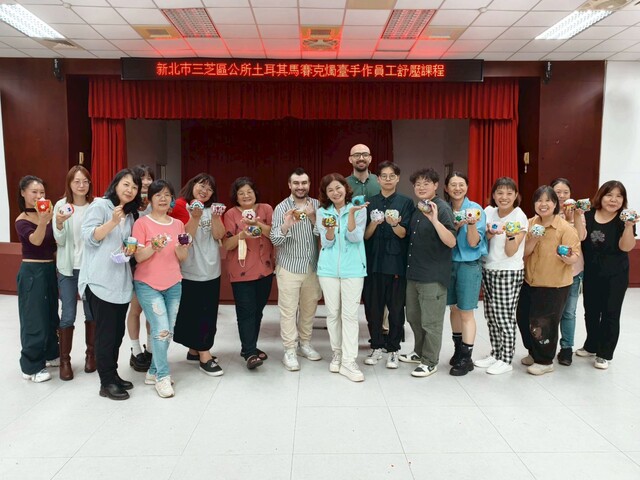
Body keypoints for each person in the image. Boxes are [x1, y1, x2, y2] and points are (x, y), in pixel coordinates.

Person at [79, 169, 142, 400]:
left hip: (120, 282)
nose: (130, 190)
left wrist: (129, 249)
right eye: (126, 184)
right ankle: (105, 383)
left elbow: (123, 243)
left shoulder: (130, 214)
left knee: (117, 334)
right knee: (105, 335)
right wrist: (113, 222)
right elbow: (88, 237)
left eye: (134, 187)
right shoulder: (100, 206)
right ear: (115, 184)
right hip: (99, 280)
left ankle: (113, 375)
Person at [517, 186, 581, 376]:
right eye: (539, 200)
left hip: (554, 284)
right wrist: (534, 239)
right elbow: (524, 252)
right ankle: (533, 352)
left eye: (548, 200)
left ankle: (544, 360)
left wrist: (566, 257)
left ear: (555, 204)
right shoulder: (530, 223)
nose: (543, 204)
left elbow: (574, 256)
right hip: (530, 281)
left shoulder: (565, 228)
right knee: (523, 318)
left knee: (544, 323)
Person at [133, 180, 188, 398]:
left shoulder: (178, 225)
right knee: (161, 329)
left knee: (168, 331)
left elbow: (182, 257)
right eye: (158, 195)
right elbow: (139, 256)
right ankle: (163, 377)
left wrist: (183, 248)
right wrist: (153, 247)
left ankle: (153, 371)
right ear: (150, 199)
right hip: (148, 284)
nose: (163, 199)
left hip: (174, 283)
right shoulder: (142, 223)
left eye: (167, 195)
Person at [399, 168, 456, 378]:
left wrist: (435, 220)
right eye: (417, 184)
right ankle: (419, 352)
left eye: (426, 183)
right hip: (414, 274)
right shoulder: (418, 208)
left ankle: (430, 361)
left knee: (431, 322)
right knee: (414, 318)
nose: (421, 187)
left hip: (432, 276)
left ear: (436, 185)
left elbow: (451, 241)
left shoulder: (442, 208)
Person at [577, 180, 637, 369]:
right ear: (601, 196)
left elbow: (626, 247)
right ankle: (591, 345)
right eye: (609, 195)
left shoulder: (624, 219)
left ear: (623, 200)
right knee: (591, 311)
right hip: (592, 273)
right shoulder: (588, 214)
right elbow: (580, 237)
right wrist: (577, 215)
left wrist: (629, 227)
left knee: (611, 313)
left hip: (616, 275)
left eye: (619, 196)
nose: (613, 200)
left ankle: (605, 353)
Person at [171, 173, 225, 376]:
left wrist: (215, 217)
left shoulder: (213, 209)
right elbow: (184, 237)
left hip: (211, 269)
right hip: (189, 270)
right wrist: (195, 217)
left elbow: (219, 235)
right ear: (192, 185)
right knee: (193, 313)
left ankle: (195, 350)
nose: (205, 191)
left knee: (207, 313)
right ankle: (204, 355)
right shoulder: (180, 206)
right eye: (201, 186)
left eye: (209, 189)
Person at [316, 173, 368, 382]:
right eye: (330, 190)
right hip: (328, 270)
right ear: (326, 194)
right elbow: (326, 243)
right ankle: (337, 353)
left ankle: (349, 360)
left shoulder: (358, 208)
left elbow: (355, 237)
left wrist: (352, 214)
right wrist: (329, 230)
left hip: (353, 269)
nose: (335, 192)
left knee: (349, 315)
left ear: (345, 188)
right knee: (332, 314)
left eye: (338, 188)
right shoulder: (322, 212)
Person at [270, 167, 323, 372]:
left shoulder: (317, 205)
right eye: (296, 183)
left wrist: (313, 217)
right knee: (288, 311)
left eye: (304, 183)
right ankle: (289, 350)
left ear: (309, 184)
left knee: (309, 309)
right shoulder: (281, 208)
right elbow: (275, 239)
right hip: (289, 267)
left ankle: (305, 344)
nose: (300, 187)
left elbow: (325, 234)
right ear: (290, 185)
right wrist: (286, 226)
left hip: (312, 266)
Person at [363, 161, 414, 369]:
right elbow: (365, 236)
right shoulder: (369, 202)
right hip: (373, 263)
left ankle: (393, 349)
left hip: (396, 264)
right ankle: (376, 346)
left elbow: (404, 234)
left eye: (392, 176)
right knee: (373, 309)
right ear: (378, 179)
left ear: (398, 178)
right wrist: (374, 224)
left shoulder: (406, 202)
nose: (387, 179)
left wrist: (394, 224)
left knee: (396, 309)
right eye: (383, 176)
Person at [474, 177, 527, 375]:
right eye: (500, 193)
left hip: (508, 271)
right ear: (494, 195)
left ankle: (506, 359)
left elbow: (511, 251)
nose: (504, 197)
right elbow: (482, 239)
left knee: (504, 317)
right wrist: (489, 233)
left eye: (509, 193)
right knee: (491, 316)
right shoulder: (488, 212)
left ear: (516, 195)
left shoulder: (519, 216)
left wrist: (510, 234)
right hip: (488, 268)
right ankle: (496, 353)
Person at [223, 177, 274, 370]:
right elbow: (227, 244)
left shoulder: (266, 209)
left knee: (257, 311)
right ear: (236, 196)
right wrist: (242, 234)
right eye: (241, 193)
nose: (246, 196)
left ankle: (249, 347)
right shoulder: (231, 214)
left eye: (249, 192)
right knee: (246, 312)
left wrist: (257, 224)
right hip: (241, 271)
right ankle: (250, 352)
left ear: (255, 193)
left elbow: (275, 235)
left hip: (265, 270)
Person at [53, 165, 95, 380]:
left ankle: (91, 355)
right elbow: (59, 241)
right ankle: (65, 361)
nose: (81, 185)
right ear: (69, 184)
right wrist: (59, 224)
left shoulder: (95, 206)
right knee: (68, 314)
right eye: (77, 181)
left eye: (85, 181)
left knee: (91, 313)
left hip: (90, 269)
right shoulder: (61, 206)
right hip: (68, 269)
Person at [15, 175, 59, 383]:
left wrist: (57, 221)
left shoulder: (48, 216)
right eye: (34, 192)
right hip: (32, 272)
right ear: (23, 193)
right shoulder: (22, 220)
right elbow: (36, 240)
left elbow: (54, 244)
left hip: (50, 270)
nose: (39, 196)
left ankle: (50, 353)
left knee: (50, 315)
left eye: (42, 192)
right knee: (34, 319)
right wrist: (43, 221)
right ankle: (31, 367)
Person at [443, 171, 487, 376]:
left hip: (468, 264)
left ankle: (466, 358)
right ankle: (458, 350)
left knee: (466, 311)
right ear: (446, 188)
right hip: (448, 264)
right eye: (453, 184)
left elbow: (473, 242)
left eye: (461, 184)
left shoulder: (475, 210)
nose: (457, 188)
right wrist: (454, 226)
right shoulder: (444, 209)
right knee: (453, 308)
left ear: (467, 187)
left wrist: (470, 224)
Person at [550, 178, 587, 366]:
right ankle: (547, 347)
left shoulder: (579, 214)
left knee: (569, 312)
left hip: (573, 270)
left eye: (566, 192)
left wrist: (575, 217)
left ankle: (566, 348)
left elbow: (581, 237)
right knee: (550, 312)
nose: (562, 196)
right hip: (551, 271)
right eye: (558, 192)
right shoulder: (547, 212)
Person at [126, 165, 155, 372]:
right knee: (136, 309)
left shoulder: (158, 203)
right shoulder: (129, 205)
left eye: (149, 178)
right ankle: (135, 351)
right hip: (134, 262)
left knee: (153, 311)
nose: (145, 182)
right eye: (141, 178)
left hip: (154, 262)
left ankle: (151, 350)